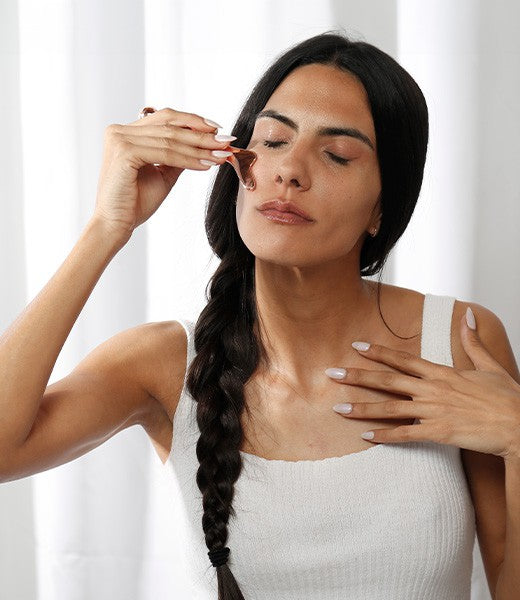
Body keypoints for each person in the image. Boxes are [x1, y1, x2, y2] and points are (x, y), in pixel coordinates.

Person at [1, 30, 519, 600]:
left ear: (382, 206)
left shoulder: (459, 342)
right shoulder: (165, 364)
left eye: (337, 154)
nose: (289, 170)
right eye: (272, 140)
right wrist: (107, 226)